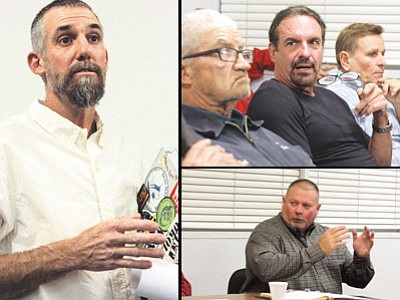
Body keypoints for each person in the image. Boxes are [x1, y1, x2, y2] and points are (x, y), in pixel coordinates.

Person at [0, 1, 168, 299]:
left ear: (106, 56)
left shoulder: (125, 148)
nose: (84, 50)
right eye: (65, 39)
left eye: (94, 38)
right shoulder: (6, 145)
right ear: (37, 62)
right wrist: (73, 253)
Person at [246, 5, 392, 166]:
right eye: (292, 43)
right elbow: (301, 167)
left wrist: (381, 117)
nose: (305, 53)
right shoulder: (273, 97)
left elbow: (379, 163)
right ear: (273, 52)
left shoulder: (331, 97)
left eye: (313, 42)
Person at [181, 8, 313, 166]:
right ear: (185, 73)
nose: (244, 65)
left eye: (241, 52)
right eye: (225, 52)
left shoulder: (253, 129)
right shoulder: (193, 149)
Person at [241, 179, 375, 294]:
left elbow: (359, 282)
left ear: (317, 208)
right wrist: (319, 250)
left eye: (306, 206)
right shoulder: (265, 232)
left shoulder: (328, 236)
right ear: (283, 202)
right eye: (293, 203)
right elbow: (266, 269)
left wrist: (361, 258)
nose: (298, 210)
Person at [324, 23, 400, 166]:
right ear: (346, 60)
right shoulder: (334, 98)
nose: (383, 62)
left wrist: (398, 104)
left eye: (382, 54)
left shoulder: (384, 88)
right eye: (372, 54)